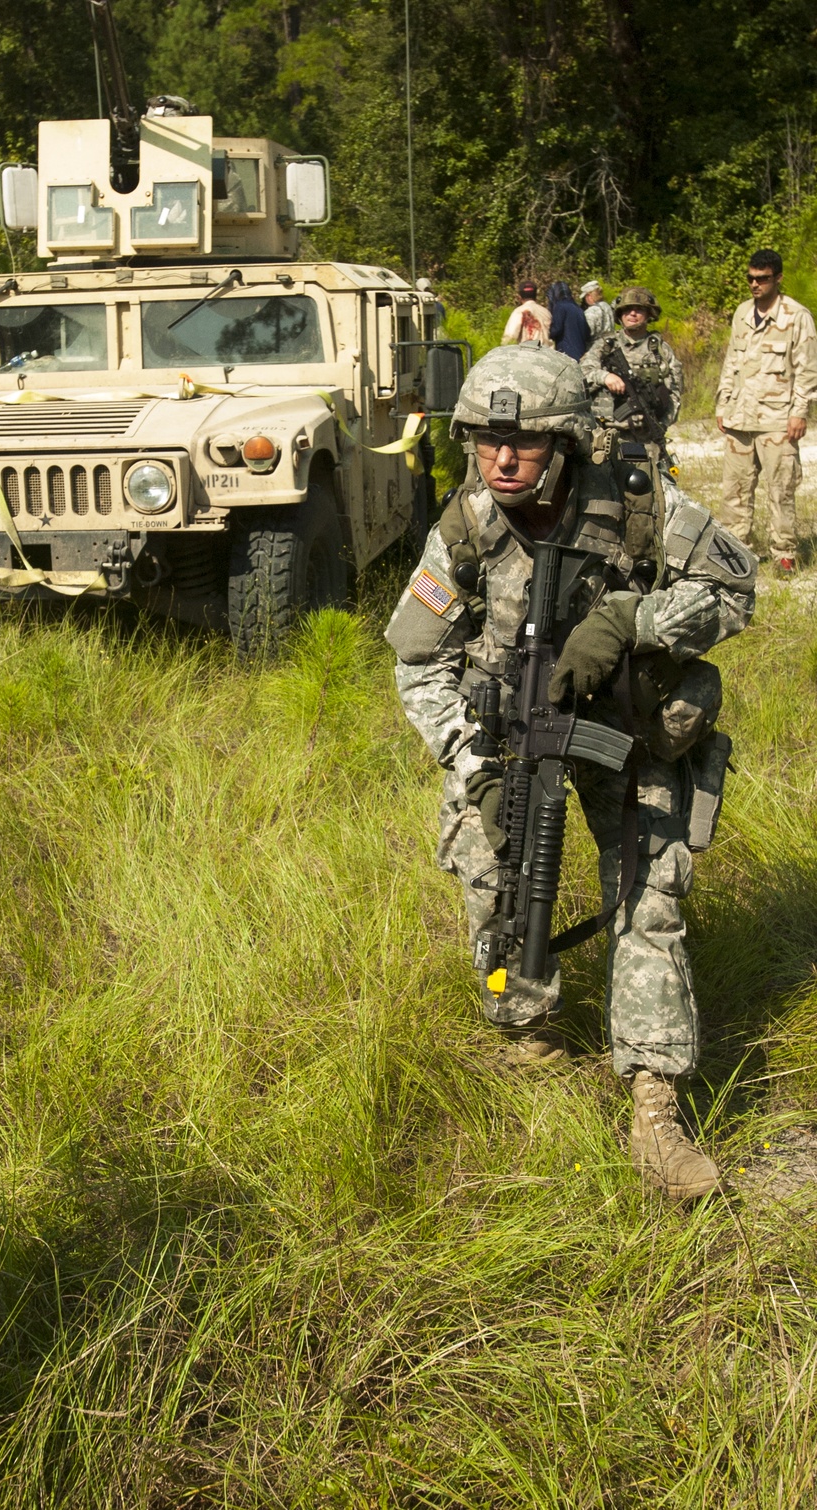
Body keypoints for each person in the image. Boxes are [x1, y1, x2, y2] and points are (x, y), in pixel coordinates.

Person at [385, 344, 756, 1200]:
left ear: (567, 443)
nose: (503, 459)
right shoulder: (469, 522)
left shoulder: (633, 501)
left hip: (626, 731)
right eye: (485, 440)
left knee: (649, 894)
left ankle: (656, 1108)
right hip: (515, 743)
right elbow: (415, 660)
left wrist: (634, 618)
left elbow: (735, 589)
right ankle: (530, 1032)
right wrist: (472, 761)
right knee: (497, 875)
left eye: (523, 442)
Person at [716, 248, 817, 577]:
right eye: (750, 278)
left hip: (777, 421)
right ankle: (735, 556)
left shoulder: (796, 316)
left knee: (781, 490)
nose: (755, 284)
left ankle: (784, 555)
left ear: (778, 278)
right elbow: (732, 361)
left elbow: (807, 369)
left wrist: (799, 411)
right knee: (735, 491)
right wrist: (723, 403)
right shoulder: (743, 312)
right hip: (740, 419)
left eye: (762, 279)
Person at [581, 287, 683, 454]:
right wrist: (605, 376)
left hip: (647, 438)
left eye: (639, 309)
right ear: (620, 315)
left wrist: (662, 424)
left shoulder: (660, 350)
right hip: (607, 436)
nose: (632, 314)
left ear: (649, 313)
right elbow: (581, 375)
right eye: (627, 310)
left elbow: (675, 392)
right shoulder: (605, 345)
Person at [546, 281, 589, 361]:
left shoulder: (560, 307)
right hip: (581, 353)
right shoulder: (578, 308)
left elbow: (556, 329)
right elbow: (587, 333)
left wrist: (544, 331)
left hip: (568, 353)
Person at [501, 281, 552, 347]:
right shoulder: (546, 313)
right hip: (547, 354)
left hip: (527, 353)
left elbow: (510, 336)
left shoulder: (519, 312)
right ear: (536, 295)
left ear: (519, 297)